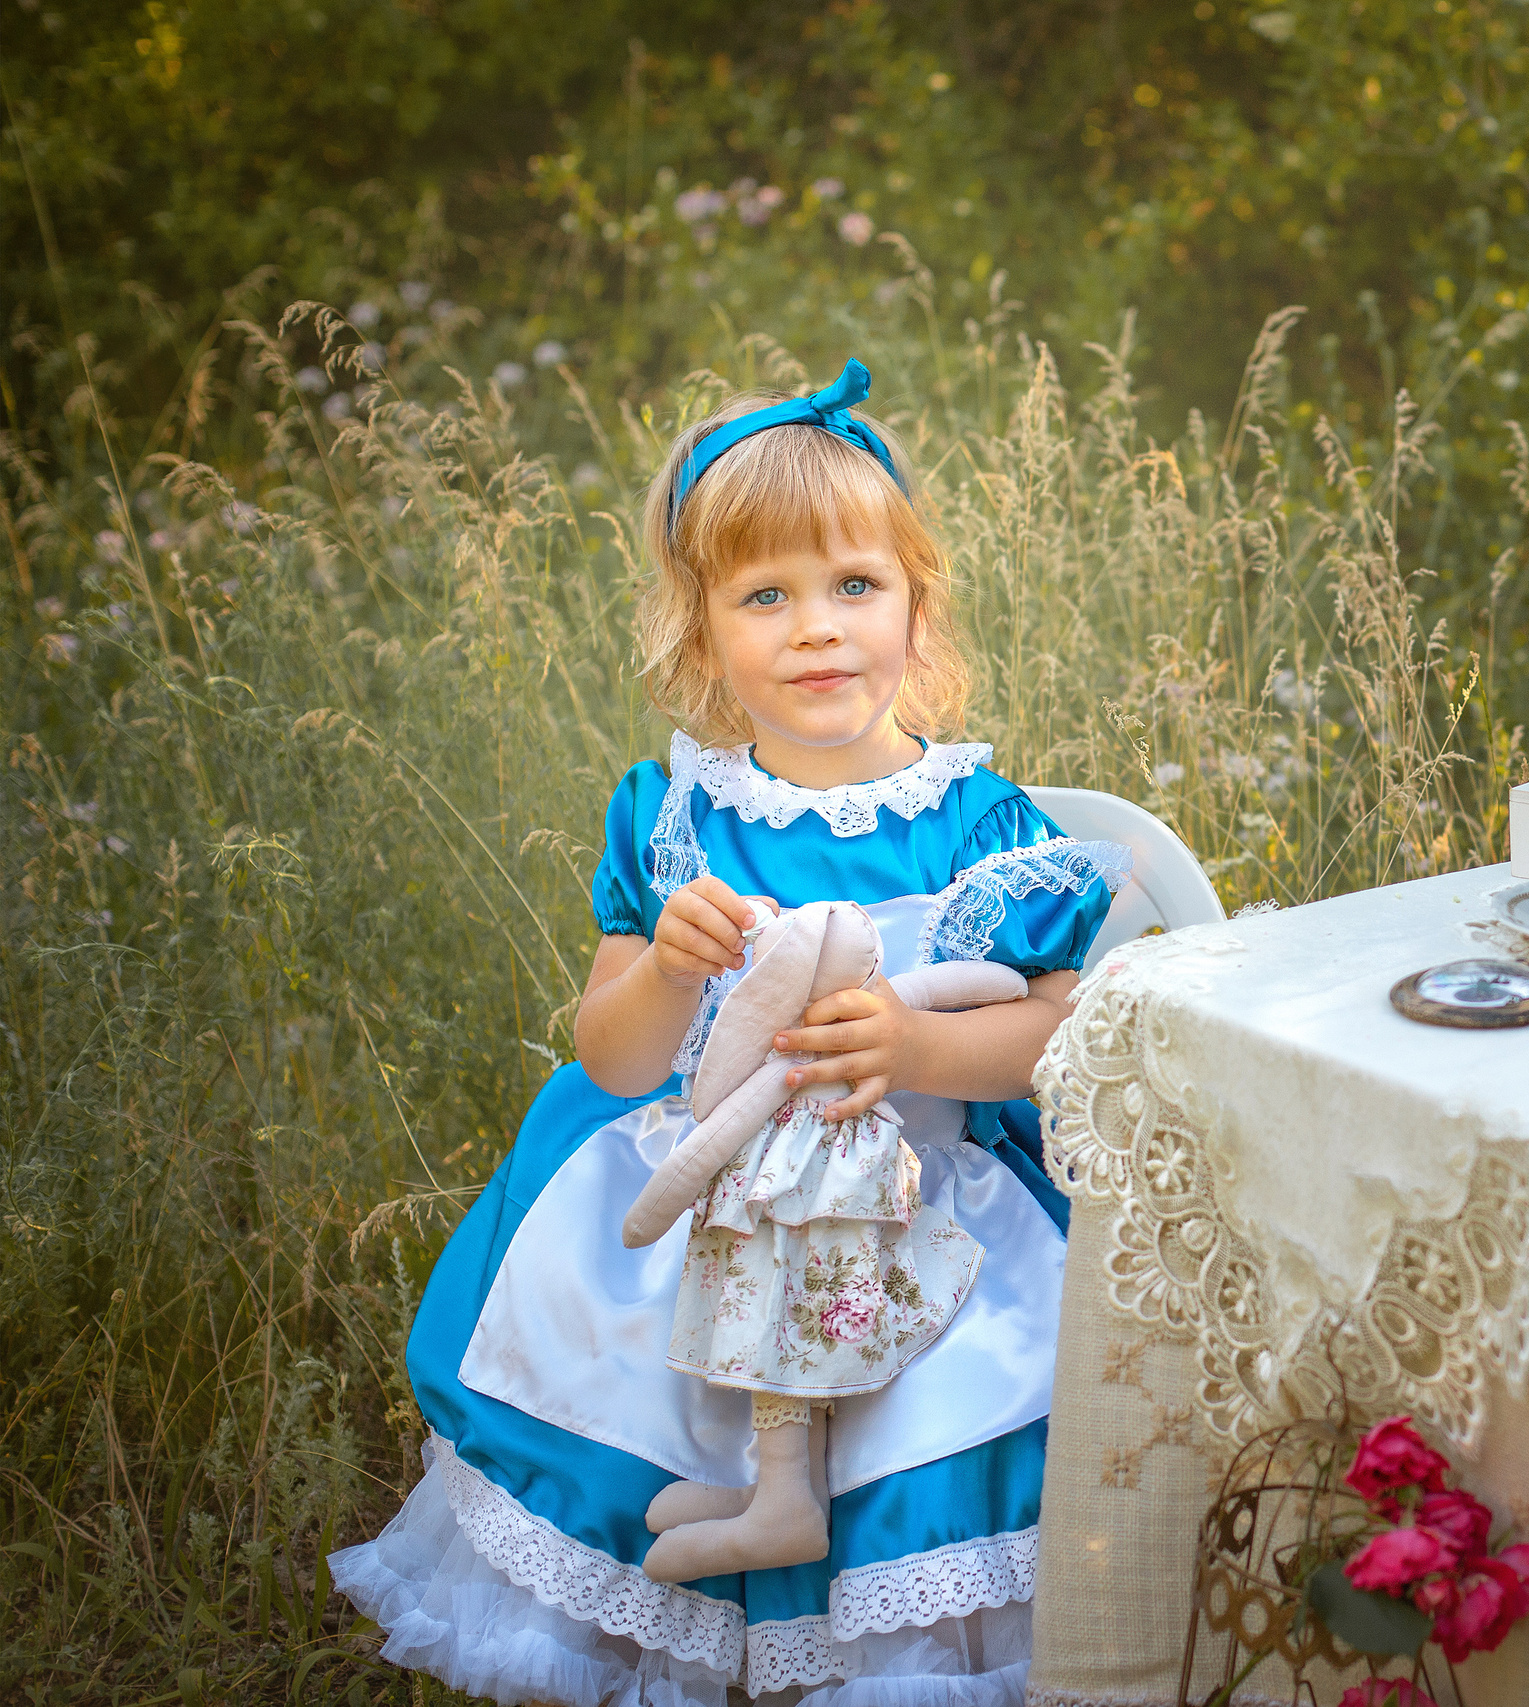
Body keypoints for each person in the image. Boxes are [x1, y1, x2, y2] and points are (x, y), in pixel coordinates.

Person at [331, 358, 1126, 1707]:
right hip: (694, 1178)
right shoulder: (671, 813)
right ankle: (678, 1628)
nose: (817, 630)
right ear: (704, 637)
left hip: (926, 1184)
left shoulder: (985, 821)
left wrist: (924, 1053)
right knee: (626, 1339)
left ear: (915, 611)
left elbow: (1062, 1030)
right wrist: (668, 974)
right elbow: (615, 1058)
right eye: (767, 596)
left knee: (957, 1396)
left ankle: (890, 1640)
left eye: (853, 587)